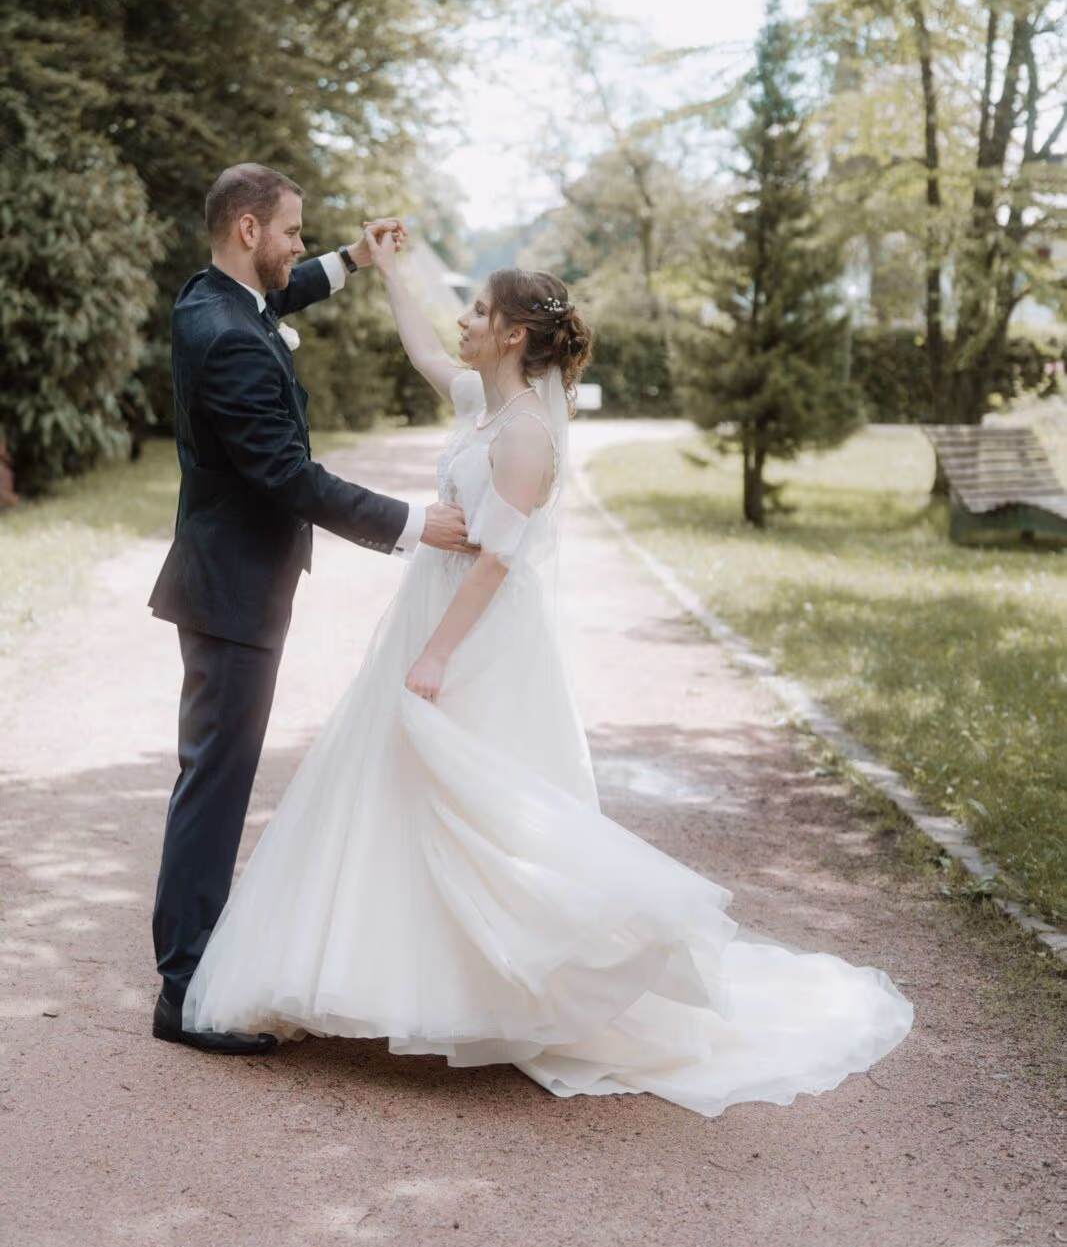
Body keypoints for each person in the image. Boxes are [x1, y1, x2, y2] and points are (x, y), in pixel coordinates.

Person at [182, 234, 913, 1118]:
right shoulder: (481, 407)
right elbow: (421, 348)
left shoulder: (526, 433)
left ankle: (518, 989)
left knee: (481, 801)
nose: (464, 321)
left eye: (479, 312)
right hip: (436, 607)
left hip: (478, 632)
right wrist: (386, 275)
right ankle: (405, 975)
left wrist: (436, 653)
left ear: (515, 336)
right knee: (400, 790)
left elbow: (496, 560)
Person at [149, 164, 471, 1055]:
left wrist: (353, 261)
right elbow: (287, 475)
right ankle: (184, 990)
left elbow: (276, 303)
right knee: (214, 782)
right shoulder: (230, 339)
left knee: (213, 774)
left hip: (228, 579)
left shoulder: (211, 300)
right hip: (231, 591)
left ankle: (192, 969)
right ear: (248, 231)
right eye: (291, 231)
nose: (298, 244)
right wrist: (413, 524)